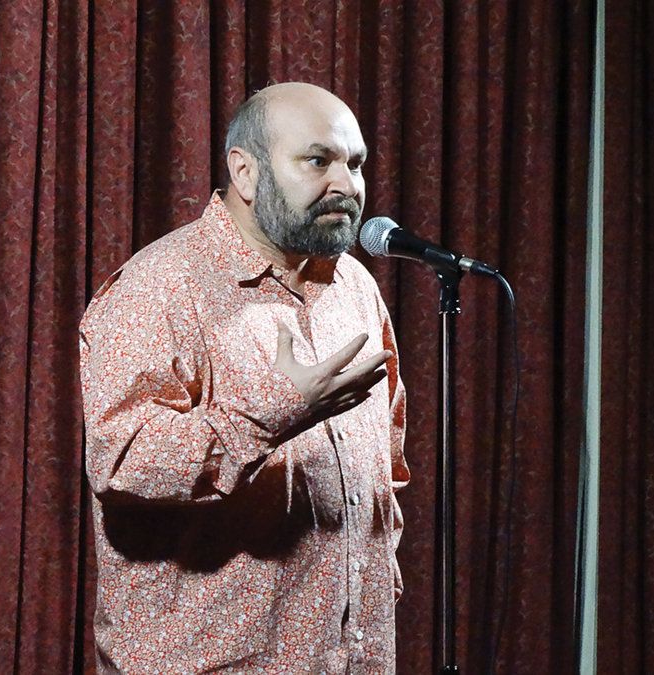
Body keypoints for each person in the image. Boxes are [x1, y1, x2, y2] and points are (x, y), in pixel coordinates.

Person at [79, 82, 410, 673]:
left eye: (355, 164)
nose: (347, 185)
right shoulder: (159, 289)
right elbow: (122, 462)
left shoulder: (355, 287)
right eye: (318, 160)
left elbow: (384, 469)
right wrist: (274, 411)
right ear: (245, 172)